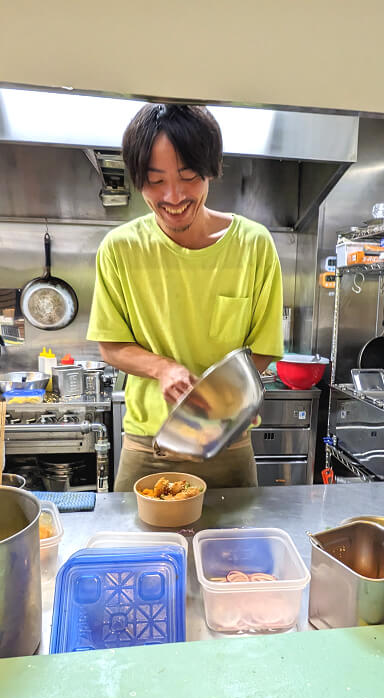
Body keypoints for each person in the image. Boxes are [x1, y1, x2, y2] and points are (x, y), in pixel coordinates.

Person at [86, 103, 283, 492]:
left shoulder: (254, 245)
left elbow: (263, 350)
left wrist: (213, 410)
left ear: (210, 171)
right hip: (148, 447)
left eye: (188, 176)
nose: (173, 196)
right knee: (139, 553)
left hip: (229, 446)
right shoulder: (120, 249)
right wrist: (162, 368)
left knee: (236, 553)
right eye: (155, 181)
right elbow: (111, 346)